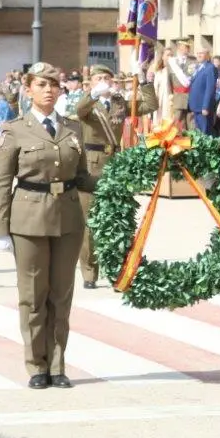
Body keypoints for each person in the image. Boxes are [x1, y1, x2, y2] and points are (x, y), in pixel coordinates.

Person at [0, 62, 96, 389]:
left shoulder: (73, 129)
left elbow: (80, 177)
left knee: (61, 295)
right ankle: (37, 365)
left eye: (53, 84)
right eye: (41, 84)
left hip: (67, 219)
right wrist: (0, 229)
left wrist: (118, 181)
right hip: (29, 220)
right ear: (28, 90)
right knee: (33, 296)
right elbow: (2, 181)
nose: (48, 90)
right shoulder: (15, 129)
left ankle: (57, 365)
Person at [75, 59, 156, 288]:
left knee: (116, 217)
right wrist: (93, 95)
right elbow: (79, 111)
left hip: (115, 163)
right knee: (91, 221)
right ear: (90, 83)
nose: (104, 82)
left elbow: (150, 105)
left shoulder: (120, 102)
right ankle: (90, 272)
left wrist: (144, 80)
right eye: (98, 79)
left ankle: (115, 268)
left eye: (106, 79)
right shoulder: (89, 104)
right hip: (91, 165)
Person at [188, 44, 218, 134]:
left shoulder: (210, 68)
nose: (199, 55)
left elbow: (210, 89)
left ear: (207, 55)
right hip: (196, 106)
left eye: (201, 53)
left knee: (205, 133)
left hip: (203, 108)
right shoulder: (198, 67)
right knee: (199, 133)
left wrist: (205, 107)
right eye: (197, 53)